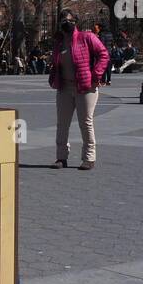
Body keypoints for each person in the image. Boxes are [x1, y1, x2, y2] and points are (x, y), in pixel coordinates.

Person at [49, 9, 110, 171]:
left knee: (86, 122)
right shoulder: (59, 41)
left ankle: (89, 158)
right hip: (64, 87)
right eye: (63, 20)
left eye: (69, 20)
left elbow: (104, 54)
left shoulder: (87, 37)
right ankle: (61, 157)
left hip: (85, 86)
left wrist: (95, 75)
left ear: (75, 22)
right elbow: (56, 63)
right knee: (62, 124)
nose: (65, 23)